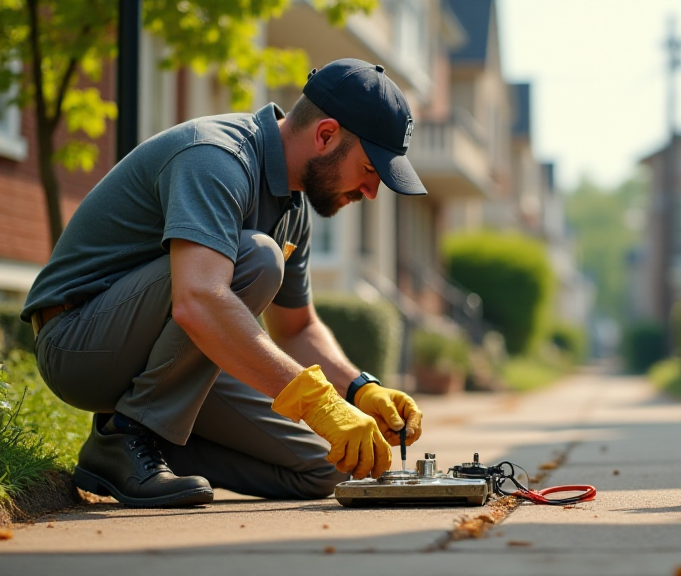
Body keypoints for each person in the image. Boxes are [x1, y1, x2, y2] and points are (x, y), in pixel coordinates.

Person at [20, 58, 426, 507]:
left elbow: (297, 329)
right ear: (326, 135)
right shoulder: (217, 157)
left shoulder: (293, 210)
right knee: (256, 258)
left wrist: (359, 389)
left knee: (332, 465)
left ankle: (146, 450)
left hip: (167, 360)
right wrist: (318, 404)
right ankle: (125, 436)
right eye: (370, 170)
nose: (371, 192)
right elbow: (199, 299)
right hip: (79, 344)